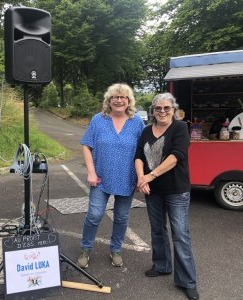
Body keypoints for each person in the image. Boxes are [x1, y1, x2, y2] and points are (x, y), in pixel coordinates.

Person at [134, 93, 199, 300]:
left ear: (173, 110)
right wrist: (140, 178)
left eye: (166, 108)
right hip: (152, 191)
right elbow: (138, 156)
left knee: (180, 235)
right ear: (152, 111)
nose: (162, 111)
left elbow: (176, 156)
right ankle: (161, 266)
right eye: (158, 108)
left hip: (176, 190)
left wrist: (149, 176)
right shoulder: (145, 131)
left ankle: (187, 281)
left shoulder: (180, 128)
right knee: (157, 230)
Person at [77, 83, 145, 269]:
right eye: (115, 96)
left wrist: (142, 176)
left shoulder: (137, 122)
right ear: (109, 100)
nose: (119, 100)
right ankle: (85, 249)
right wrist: (91, 172)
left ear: (129, 101)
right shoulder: (98, 120)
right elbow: (86, 145)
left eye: (123, 97)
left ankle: (116, 249)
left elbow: (142, 151)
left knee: (122, 217)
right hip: (100, 178)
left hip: (127, 178)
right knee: (94, 215)